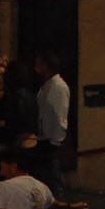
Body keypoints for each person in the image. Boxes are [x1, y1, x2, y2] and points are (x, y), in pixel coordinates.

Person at [33, 51, 71, 196]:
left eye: (39, 65)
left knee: (52, 182)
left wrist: (55, 142)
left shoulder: (58, 87)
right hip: (44, 141)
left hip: (51, 143)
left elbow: (60, 116)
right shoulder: (47, 86)